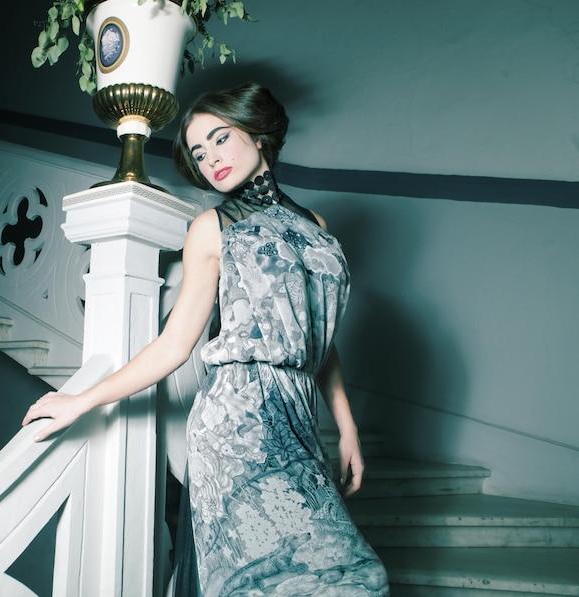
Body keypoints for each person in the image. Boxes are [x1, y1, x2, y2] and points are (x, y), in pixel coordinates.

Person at [23, 82, 389, 596]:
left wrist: (347, 428)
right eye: (199, 151)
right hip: (236, 425)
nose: (210, 159)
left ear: (258, 134)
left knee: (342, 577)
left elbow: (317, 340)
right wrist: (81, 401)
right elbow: (175, 346)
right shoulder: (212, 228)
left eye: (220, 139)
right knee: (307, 582)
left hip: (299, 420)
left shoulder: (317, 227)